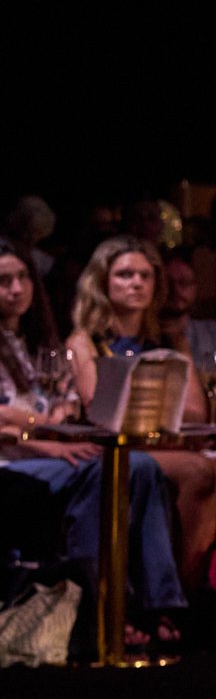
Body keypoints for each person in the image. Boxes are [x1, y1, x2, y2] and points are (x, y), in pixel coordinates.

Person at [0, 241, 187, 649]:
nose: (15, 289)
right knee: (105, 472)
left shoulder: (38, 341)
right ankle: (98, 608)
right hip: (12, 464)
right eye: (4, 281)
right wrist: (43, 431)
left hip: (50, 451)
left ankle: (153, 603)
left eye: (22, 278)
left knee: (139, 467)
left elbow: (63, 402)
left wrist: (60, 416)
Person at [64, 237, 216, 599]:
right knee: (199, 470)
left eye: (145, 276)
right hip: (109, 448)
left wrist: (137, 400)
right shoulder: (85, 342)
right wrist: (162, 400)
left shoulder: (167, 340)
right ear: (102, 283)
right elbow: (99, 408)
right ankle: (170, 598)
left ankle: (188, 592)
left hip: (155, 445)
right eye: (124, 275)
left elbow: (196, 412)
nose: (136, 283)